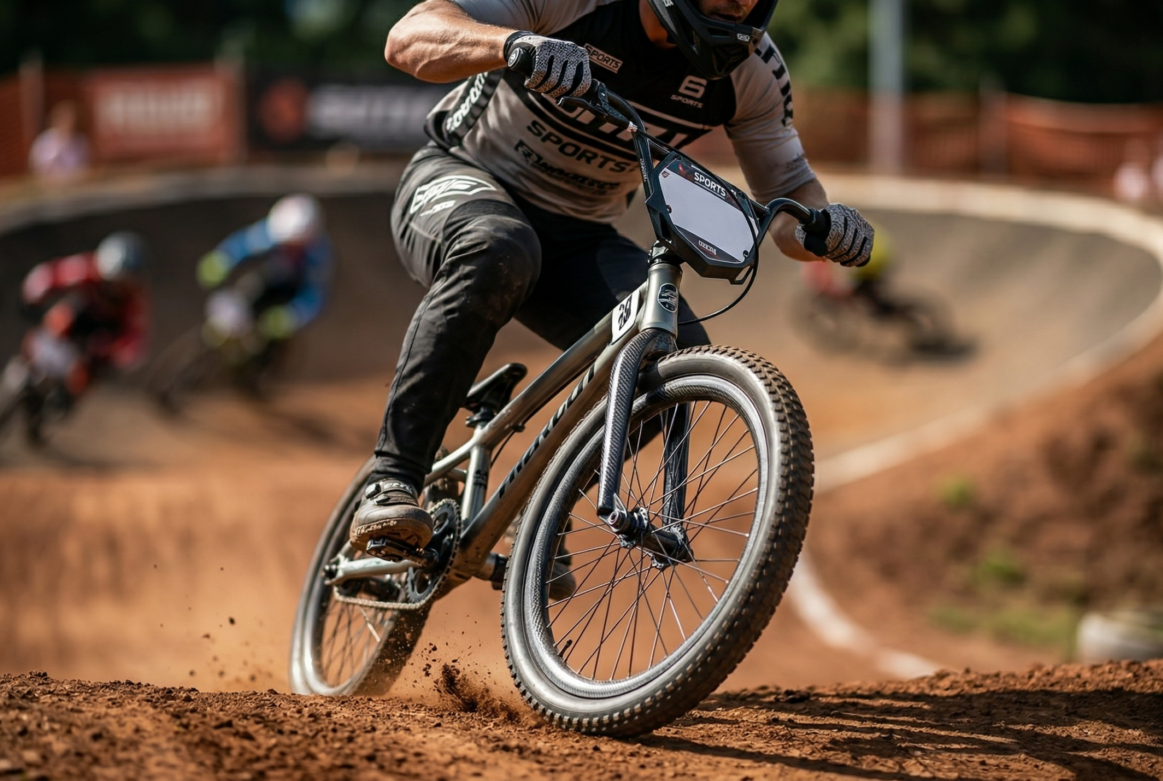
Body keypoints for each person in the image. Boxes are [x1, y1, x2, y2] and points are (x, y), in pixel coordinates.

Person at [352, 0, 876, 558]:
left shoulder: (753, 72)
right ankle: (392, 479)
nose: (738, 4)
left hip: (578, 234)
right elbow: (407, 38)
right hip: (464, 177)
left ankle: (534, 514)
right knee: (499, 249)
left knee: (671, 356)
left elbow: (790, 191)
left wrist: (825, 226)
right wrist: (511, 45)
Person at [195, 194, 333, 361]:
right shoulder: (273, 233)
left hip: (292, 293)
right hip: (270, 279)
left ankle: (262, 364)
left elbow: (315, 296)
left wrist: (293, 316)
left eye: (292, 243)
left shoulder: (318, 257)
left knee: (269, 335)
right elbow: (244, 246)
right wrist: (221, 261)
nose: (285, 246)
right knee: (245, 296)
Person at [18, 232, 149, 407]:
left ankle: (67, 399)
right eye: (111, 281)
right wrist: (33, 296)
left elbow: (135, 338)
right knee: (58, 321)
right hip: (77, 315)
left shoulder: (134, 300)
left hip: (103, 336)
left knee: (87, 370)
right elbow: (52, 276)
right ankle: (25, 364)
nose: (114, 288)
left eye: (122, 284)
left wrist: (118, 358)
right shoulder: (86, 268)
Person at [29, 102, 90, 183]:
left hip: (74, 185)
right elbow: (38, 167)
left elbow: (85, 166)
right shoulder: (44, 142)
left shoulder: (80, 141)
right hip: (50, 186)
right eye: (64, 120)